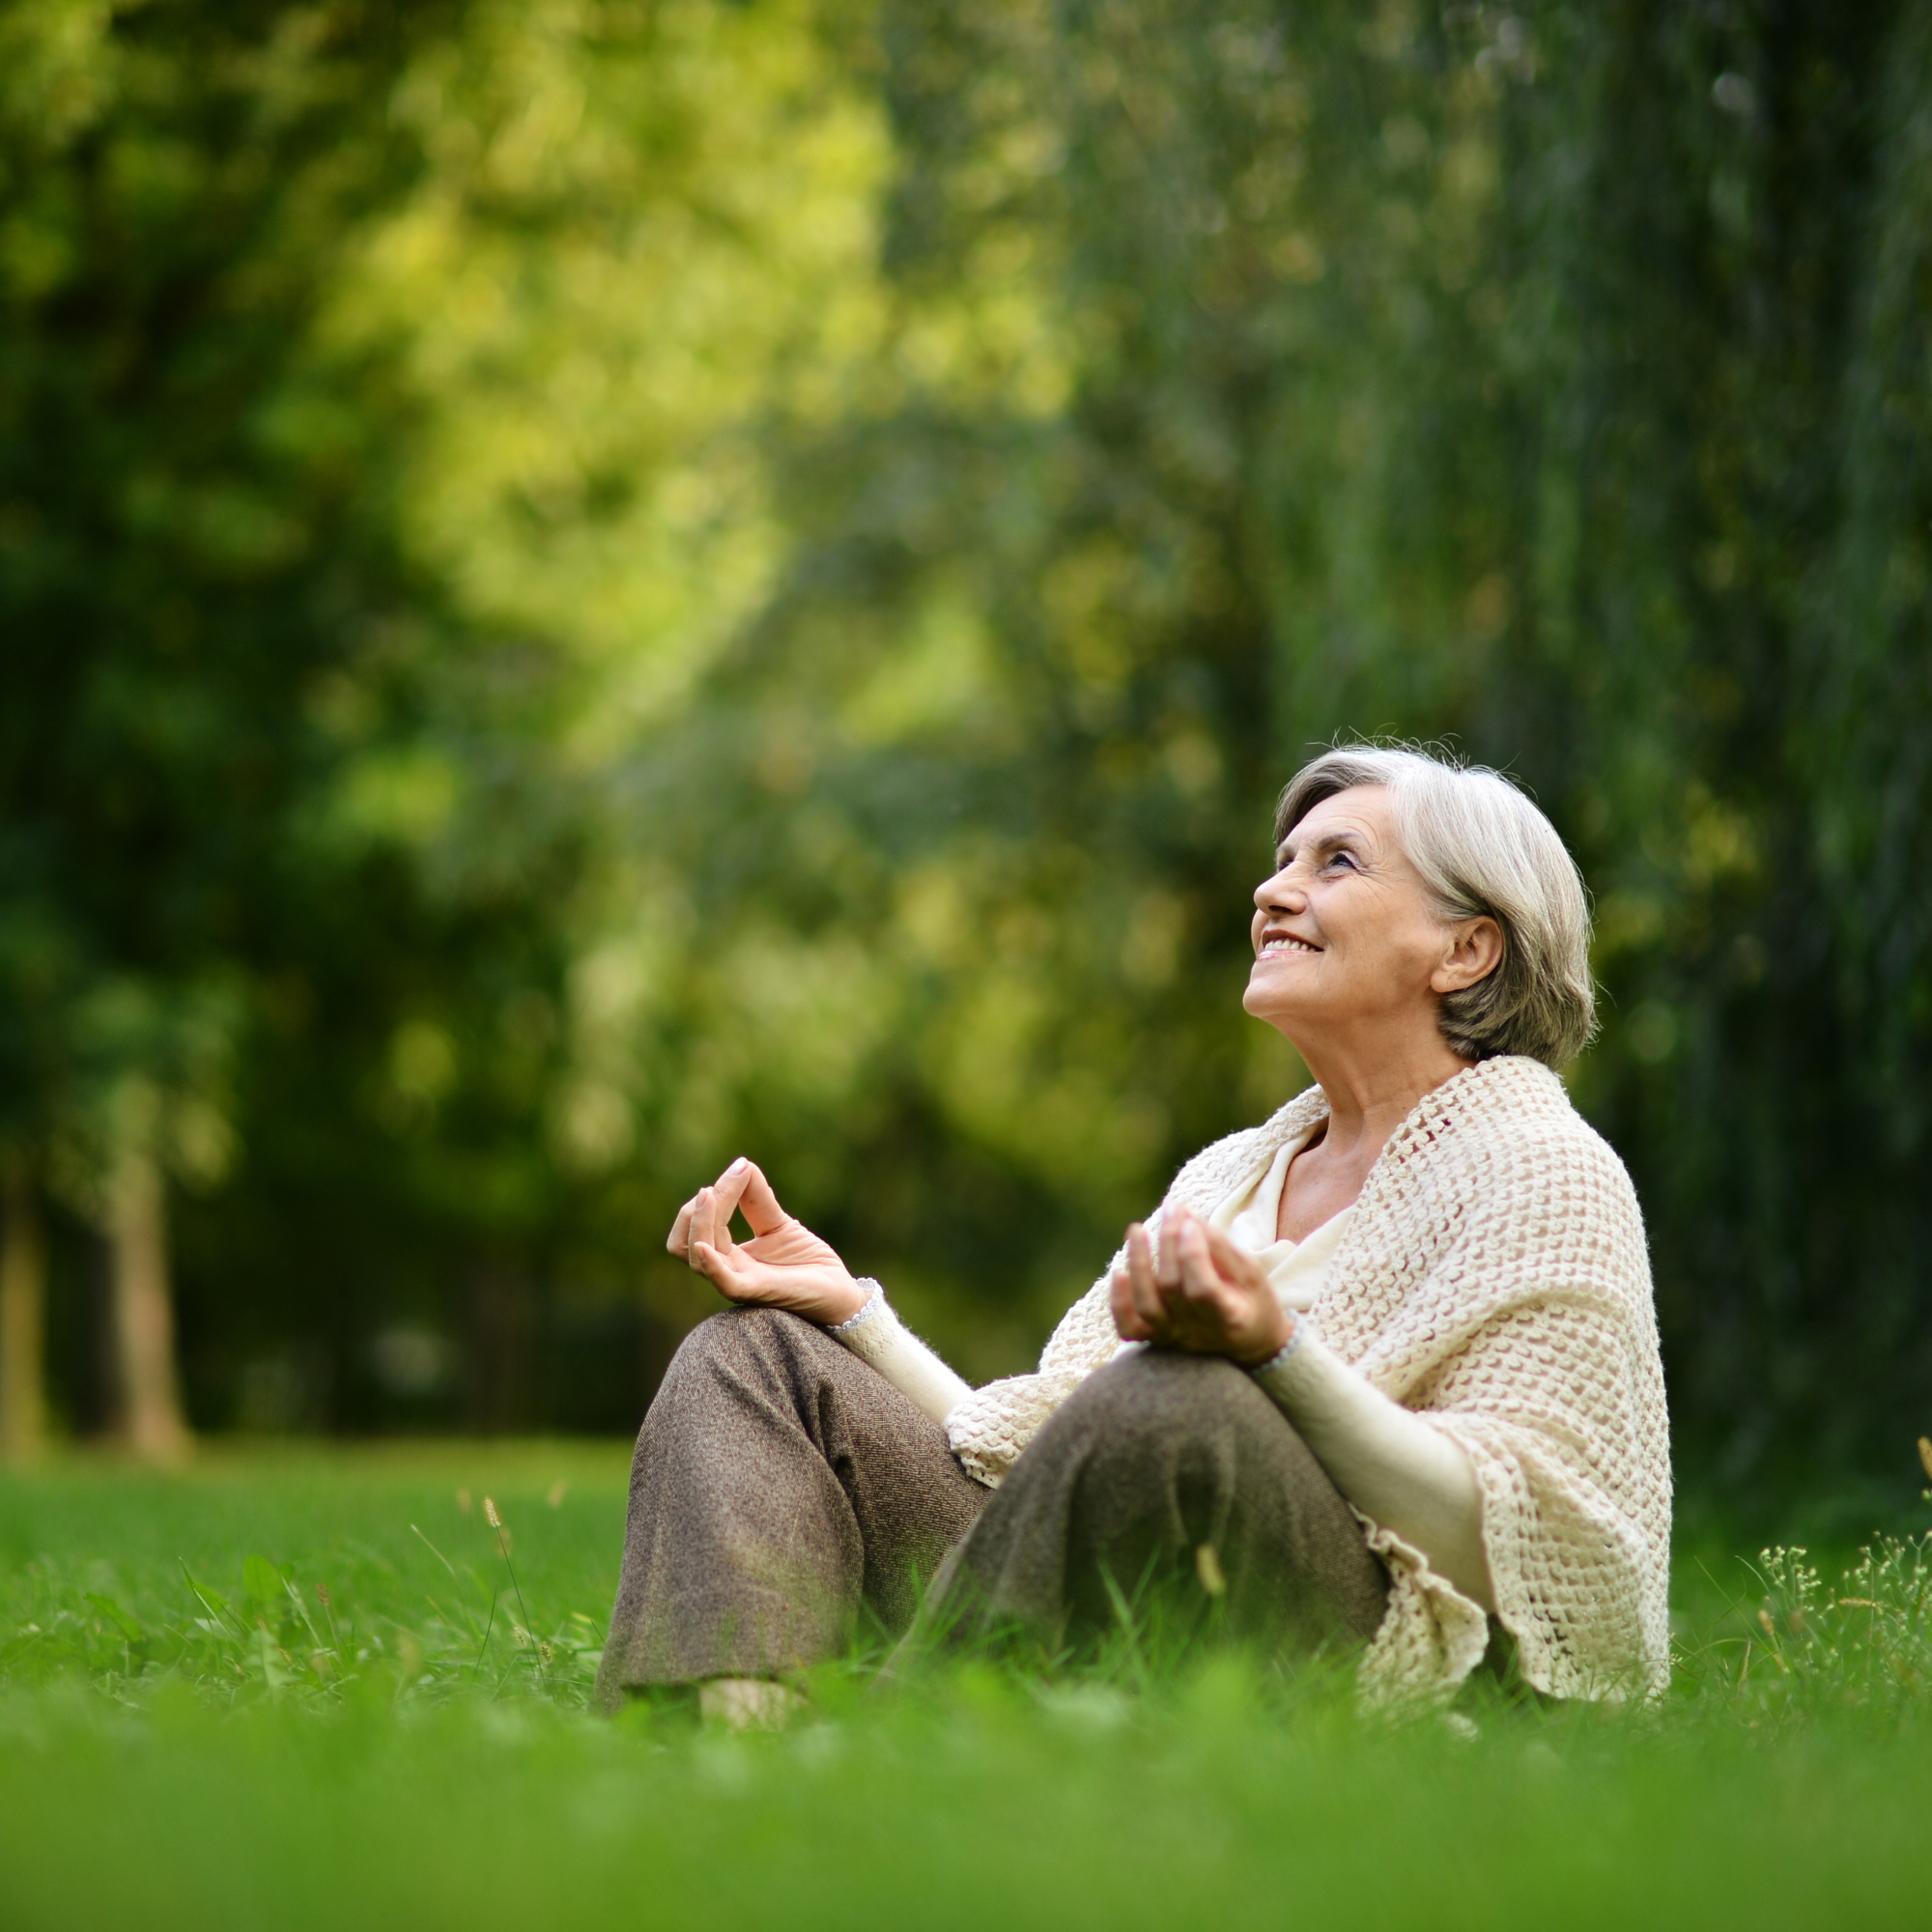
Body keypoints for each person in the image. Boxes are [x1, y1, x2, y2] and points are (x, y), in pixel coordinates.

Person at [594, 745, 1671, 1722]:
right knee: (754, 1354)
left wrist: (1269, 1356)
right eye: (1282, 857)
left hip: (1361, 1638)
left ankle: (867, 1750)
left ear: (1465, 949)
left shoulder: (1542, 1168)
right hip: (1104, 1558)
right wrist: (854, 1315)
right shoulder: (1228, 1173)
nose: (1271, 888)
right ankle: (732, 1741)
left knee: (1183, 1396)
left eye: (1336, 862)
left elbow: (1520, 1541)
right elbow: (1050, 1443)